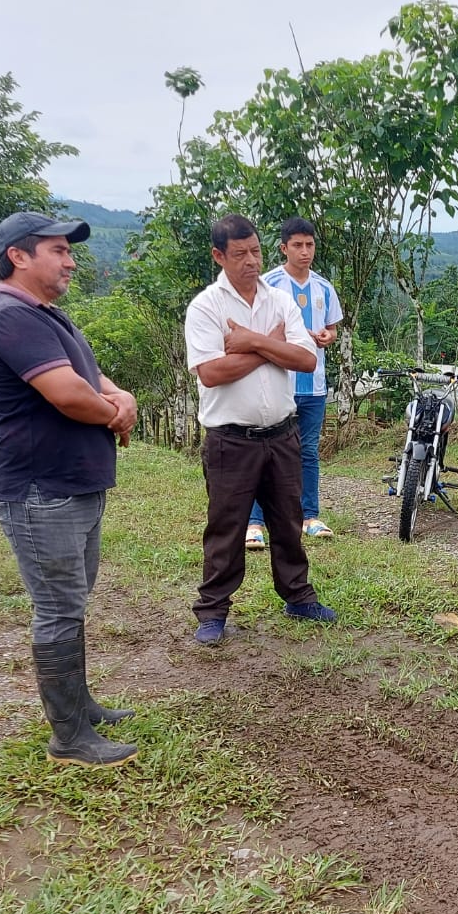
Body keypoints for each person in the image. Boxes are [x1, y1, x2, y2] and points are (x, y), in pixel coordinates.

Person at [0, 211, 139, 768]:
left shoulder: (47, 316)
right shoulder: (9, 318)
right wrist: (116, 415)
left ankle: (80, 706)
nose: (71, 261)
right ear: (18, 256)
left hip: (69, 486)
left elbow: (92, 379)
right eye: (59, 250)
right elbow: (68, 394)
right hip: (39, 490)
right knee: (58, 607)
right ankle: (68, 736)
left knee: (72, 599)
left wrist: (121, 397)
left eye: (70, 251)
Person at [186, 213, 337, 645]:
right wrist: (273, 345)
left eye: (255, 251)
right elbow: (212, 372)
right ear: (219, 256)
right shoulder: (206, 307)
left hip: (282, 433)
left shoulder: (280, 301)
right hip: (230, 439)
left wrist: (250, 341)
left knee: (288, 521)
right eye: (240, 254)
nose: (251, 261)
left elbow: (305, 359)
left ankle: (298, 596)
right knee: (226, 527)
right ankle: (213, 610)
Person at [245, 217, 343, 549]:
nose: (305, 251)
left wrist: (327, 336)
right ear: (283, 248)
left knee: (308, 452)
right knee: (265, 452)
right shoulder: (268, 285)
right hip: (277, 383)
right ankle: (255, 522)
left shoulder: (324, 287)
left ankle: (309, 516)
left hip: (313, 385)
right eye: (297, 245)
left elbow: (332, 328)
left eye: (310, 245)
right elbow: (256, 333)